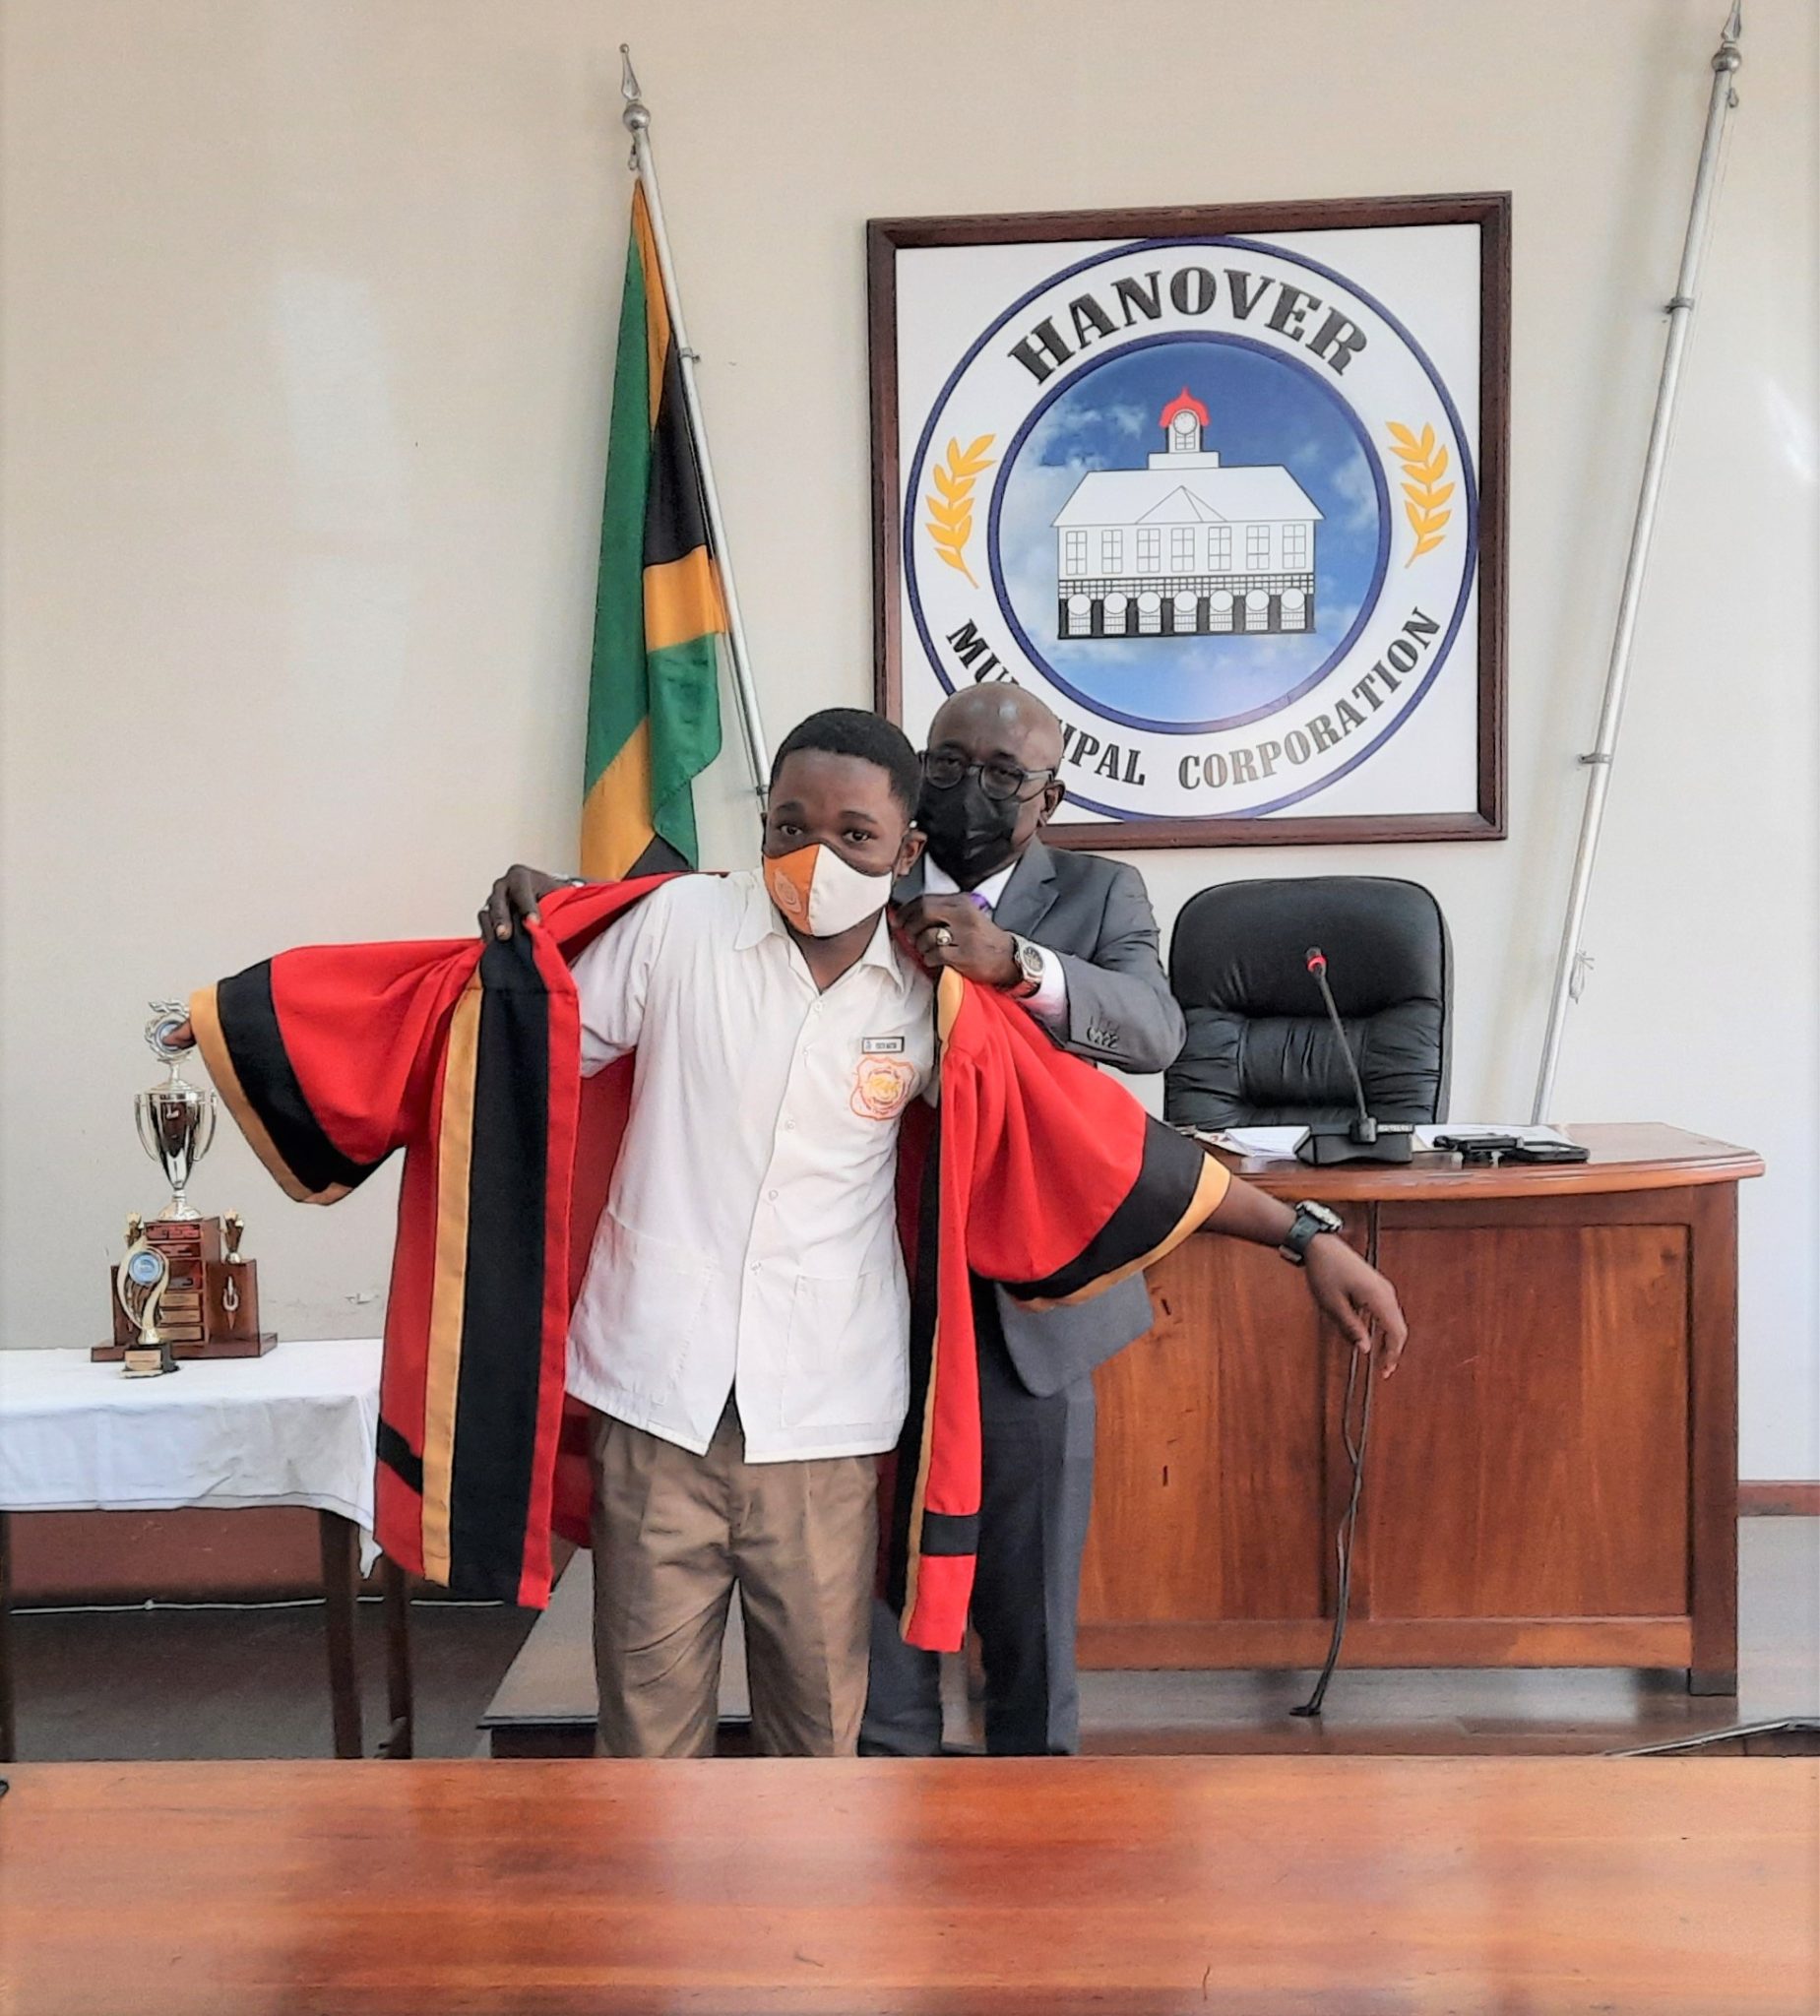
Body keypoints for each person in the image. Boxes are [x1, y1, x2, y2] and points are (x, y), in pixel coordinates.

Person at [863, 682, 1404, 1757]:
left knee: (1028, 1624)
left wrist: (1015, 965)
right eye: (947, 763)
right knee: (877, 1616)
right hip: (872, 1288)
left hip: (1036, 1304)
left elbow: (1153, 1033)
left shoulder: (1099, 891)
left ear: (1049, 794)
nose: (969, 788)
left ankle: (1039, 1845)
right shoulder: (863, 859)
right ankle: (884, 1812)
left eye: (1001, 774)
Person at [487, 707, 933, 1758]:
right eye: (787, 825)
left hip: (823, 1420)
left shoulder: (930, 987)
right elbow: (529, 1054)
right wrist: (534, 934)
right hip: (658, 1398)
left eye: (853, 835)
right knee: (644, 1742)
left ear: (906, 849)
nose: (811, 856)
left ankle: (804, 1930)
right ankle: (652, 1929)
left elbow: (1039, 1130)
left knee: (817, 1738)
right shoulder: (683, 926)